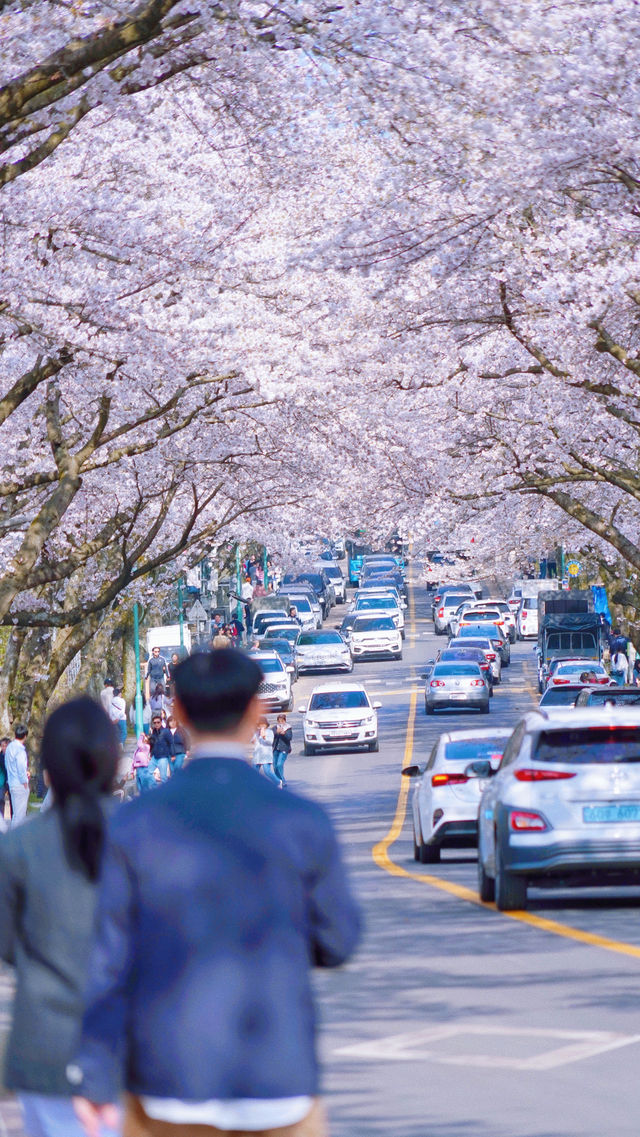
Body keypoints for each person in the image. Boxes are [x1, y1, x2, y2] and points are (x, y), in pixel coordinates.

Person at [72, 650, 360, 1137]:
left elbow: (107, 961)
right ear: (255, 710)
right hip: (277, 1077)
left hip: (167, 1079)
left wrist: (94, 1076)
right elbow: (338, 941)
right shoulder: (302, 821)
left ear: (178, 712)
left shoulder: (134, 825)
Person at [0, 698, 119, 1137]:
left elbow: (7, 945)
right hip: (130, 1050)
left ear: (48, 767)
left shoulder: (17, 849)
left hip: (45, 1050)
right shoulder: (150, 839)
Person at [5, 724, 29, 828]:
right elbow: (21, 767)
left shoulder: (10, 747)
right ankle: (17, 839)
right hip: (20, 783)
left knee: (15, 814)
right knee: (20, 815)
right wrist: (24, 781)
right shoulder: (20, 751)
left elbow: (7, 764)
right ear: (25, 736)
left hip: (12, 782)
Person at [252, 717, 280, 785]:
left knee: (267, 771)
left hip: (266, 754)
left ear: (266, 725)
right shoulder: (256, 732)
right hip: (257, 754)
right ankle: (254, 785)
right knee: (254, 771)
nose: (262, 726)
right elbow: (252, 740)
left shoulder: (269, 732)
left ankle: (278, 782)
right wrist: (254, 739)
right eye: (260, 725)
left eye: (263, 725)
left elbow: (270, 742)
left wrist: (264, 737)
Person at [147, 714, 174, 783]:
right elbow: (152, 744)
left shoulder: (166, 731)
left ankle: (165, 792)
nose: (156, 724)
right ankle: (153, 788)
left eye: (158, 722)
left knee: (163, 777)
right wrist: (151, 754)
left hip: (163, 757)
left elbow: (171, 743)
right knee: (148, 774)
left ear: (161, 722)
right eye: (155, 723)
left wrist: (172, 755)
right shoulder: (153, 732)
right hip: (154, 757)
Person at [272, 713, 293, 788]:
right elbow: (271, 735)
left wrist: (283, 733)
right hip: (275, 748)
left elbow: (289, 738)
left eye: (282, 720)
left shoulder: (288, 728)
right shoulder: (275, 728)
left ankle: (282, 780)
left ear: (285, 720)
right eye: (279, 721)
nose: (281, 722)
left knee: (279, 764)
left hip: (284, 748)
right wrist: (276, 732)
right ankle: (278, 780)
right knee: (275, 766)